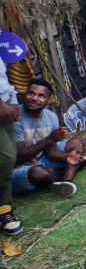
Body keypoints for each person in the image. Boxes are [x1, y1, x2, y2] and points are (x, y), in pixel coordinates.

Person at [12, 79, 86, 199]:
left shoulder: (51, 117)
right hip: (19, 166)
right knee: (40, 174)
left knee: (77, 143)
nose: (34, 98)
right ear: (25, 94)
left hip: (41, 158)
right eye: (31, 93)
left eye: (41, 96)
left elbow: (50, 150)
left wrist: (66, 157)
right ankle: (69, 169)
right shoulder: (16, 117)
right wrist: (50, 139)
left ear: (49, 100)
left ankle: (66, 182)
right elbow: (19, 157)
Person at [0, 57, 22, 235]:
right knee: (6, 158)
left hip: (6, 106)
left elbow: (3, 78)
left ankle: (4, 209)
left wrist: (13, 102)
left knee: (10, 156)